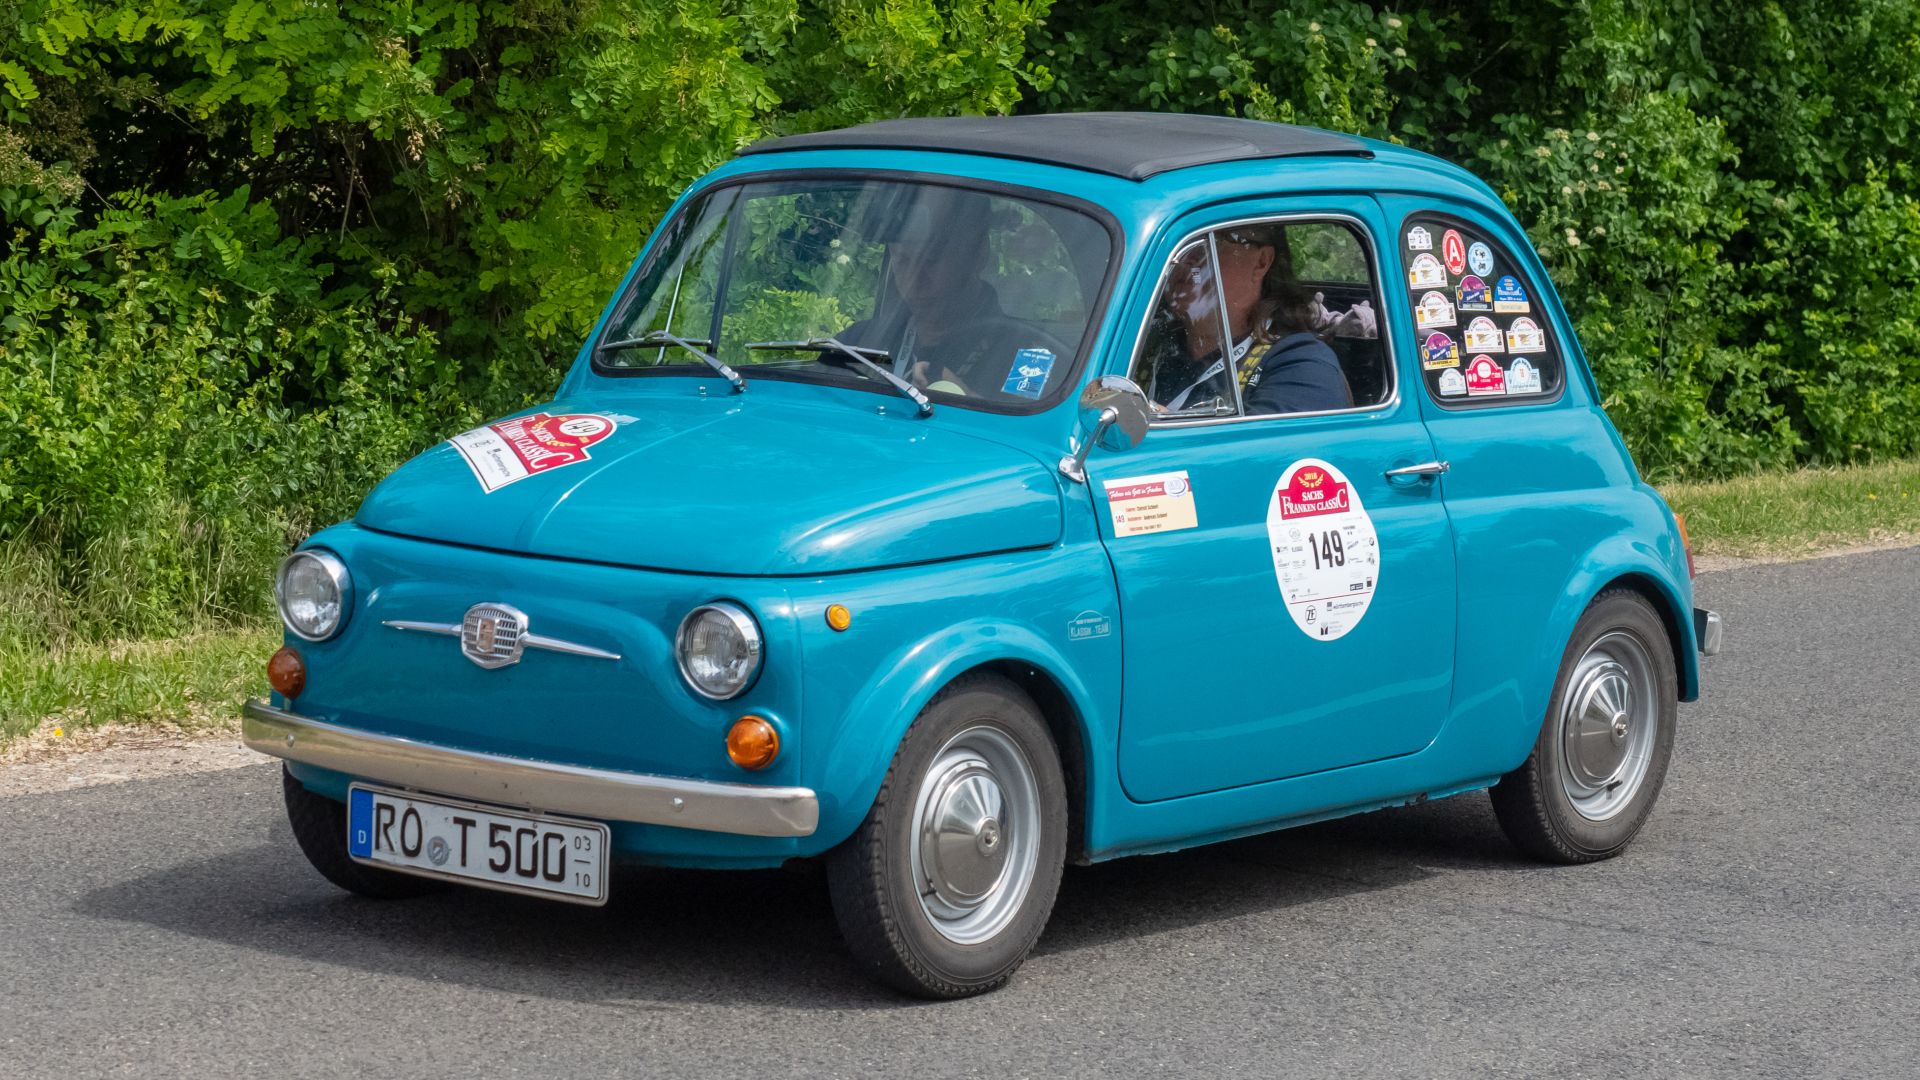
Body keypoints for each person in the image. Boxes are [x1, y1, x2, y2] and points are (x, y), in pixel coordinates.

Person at [838, 189, 1060, 397]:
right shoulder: (860, 342)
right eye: (903, 261)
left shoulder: (1030, 357)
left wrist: (967, 399)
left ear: (977, 253)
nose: (915, 279)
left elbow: (1024, 434)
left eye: (930, 260)